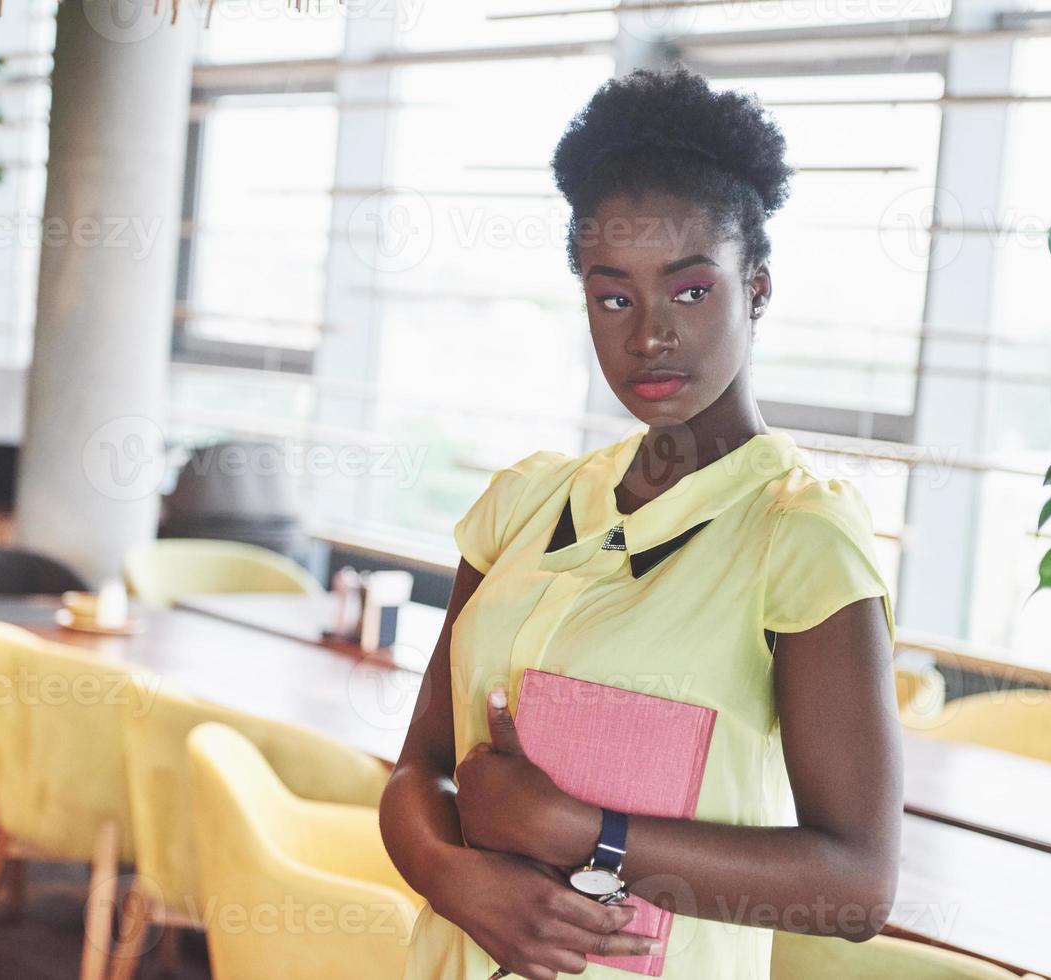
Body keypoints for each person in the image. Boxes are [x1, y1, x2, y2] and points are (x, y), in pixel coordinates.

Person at [378, 64, 901, 980]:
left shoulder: (798, 536)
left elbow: (854, 888)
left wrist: (586, 833)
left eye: (691, 290)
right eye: (612, 294)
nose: (649, 334)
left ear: (759, 289)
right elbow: (416, 771)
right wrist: (450, 876)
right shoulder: (523, 504)